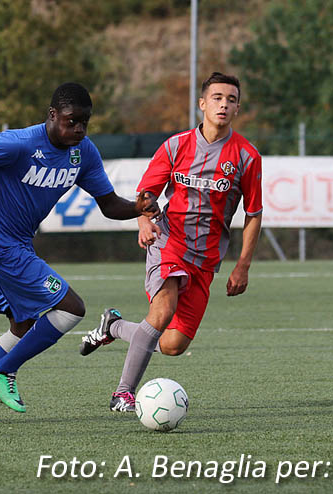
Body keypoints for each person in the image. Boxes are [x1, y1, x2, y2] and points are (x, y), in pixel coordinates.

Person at [0, 82, 160, 422]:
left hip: (16, 244)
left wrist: (139, 208)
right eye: (70, 121)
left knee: (22, 326)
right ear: (52, 115)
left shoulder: (84, 152)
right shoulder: (19, 143)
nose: (78, 129)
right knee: (71, 308)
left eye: (85, 122)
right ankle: (4, 370)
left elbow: (109, 205)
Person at [79, 72, 263, 412]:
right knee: (162, 311)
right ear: (202, 104)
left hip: (206, 259)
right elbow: (146, 194)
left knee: (173, 344)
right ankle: (123, 393)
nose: (224, 104)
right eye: (218, 97)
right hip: (169, 241)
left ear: (237, 108)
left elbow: (253, 213)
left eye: (232, 99)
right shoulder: (176, 145)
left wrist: (243, 265)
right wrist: (144, 220)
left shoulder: (247, 157)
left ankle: (114, 326)